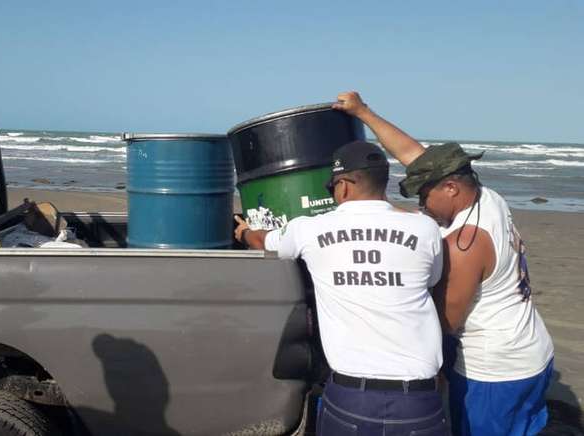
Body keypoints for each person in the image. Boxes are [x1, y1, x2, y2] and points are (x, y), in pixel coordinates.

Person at [333, 91, 555, 436]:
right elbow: (414, 155)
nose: (422, 205)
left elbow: (445, 323)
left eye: (424, 196)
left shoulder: (464, 244)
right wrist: (363, 112)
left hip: (494, 371)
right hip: (532, 350)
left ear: (450, 187)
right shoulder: (486, 196)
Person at [235, 140, 448, 436]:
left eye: (332, 187)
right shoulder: (426, 229)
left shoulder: (309, 228)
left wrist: (245, 232)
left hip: (352, 396)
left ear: (344, 186)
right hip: (418, 398)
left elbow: (264, 242)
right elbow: (431, 281)